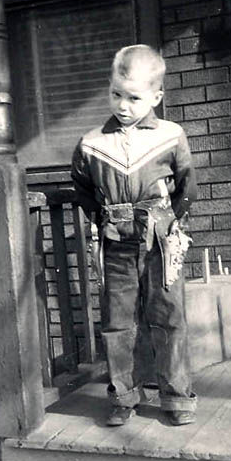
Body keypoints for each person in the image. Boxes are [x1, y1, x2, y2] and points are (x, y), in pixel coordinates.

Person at [71, 44, 198, 427]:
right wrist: (103, 218)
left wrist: (169, 220)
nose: (123, 105)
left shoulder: (171, 135)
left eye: (134, 98)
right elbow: (81, 187)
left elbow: (188, 186)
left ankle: (176, 397)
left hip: (160, 242)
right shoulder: (92, 143)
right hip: (116, 244)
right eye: (115, 94)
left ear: (156, 96)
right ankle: (124, 395)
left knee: (168, 316)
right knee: (118, 322)